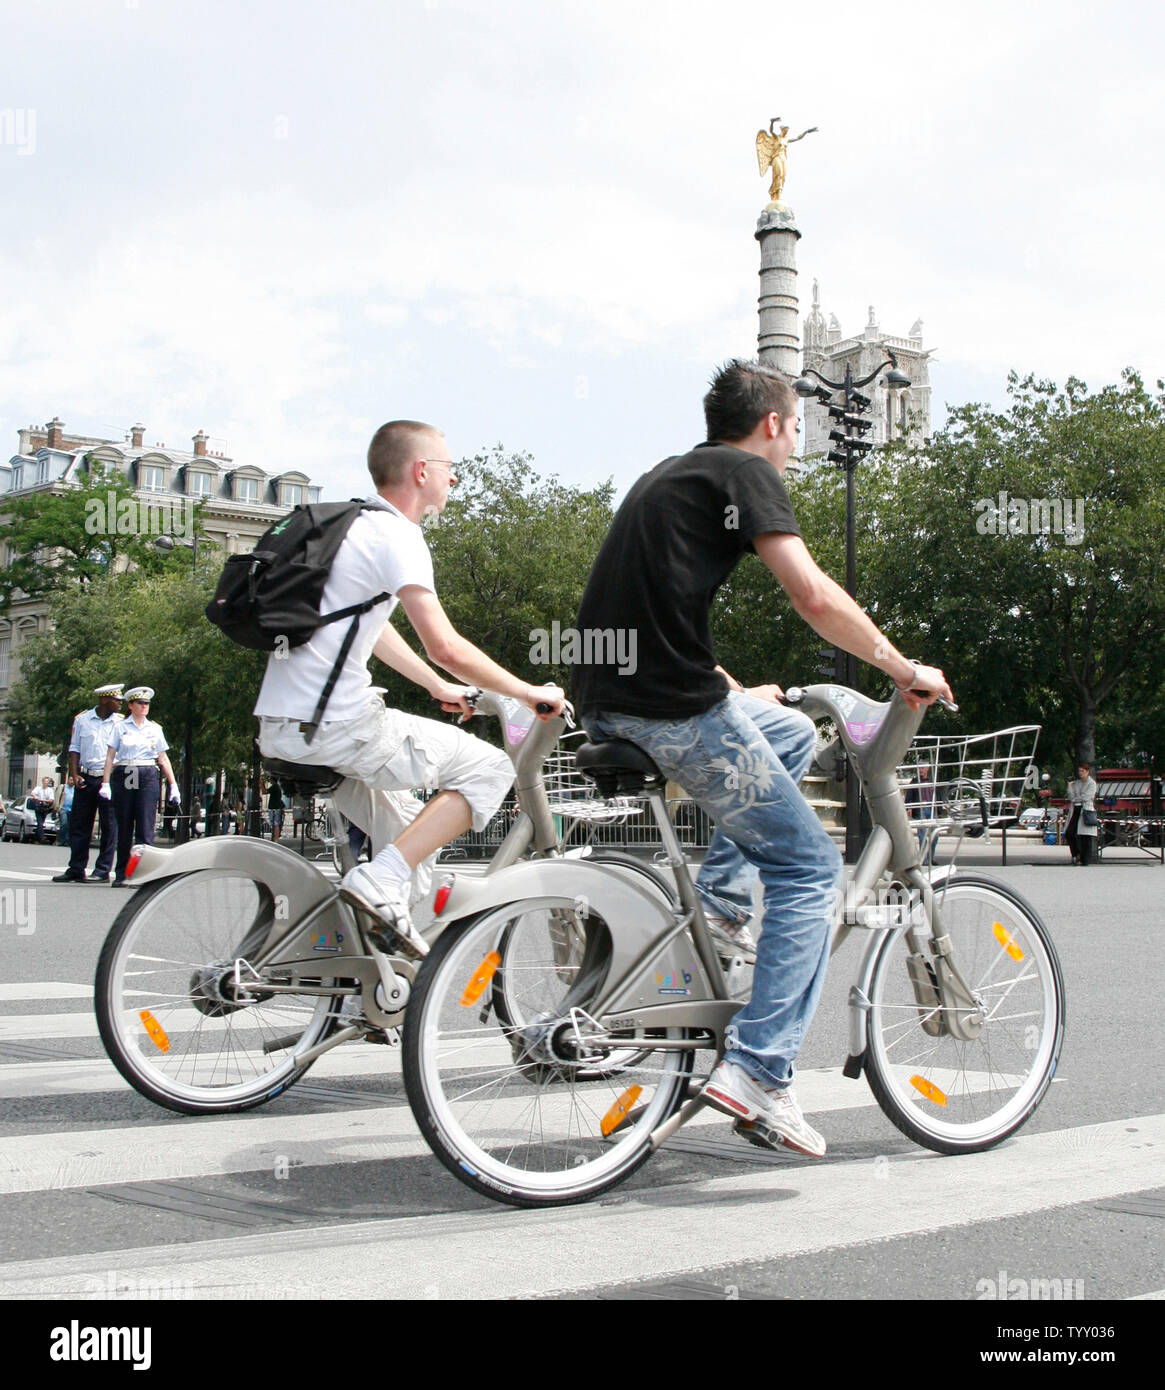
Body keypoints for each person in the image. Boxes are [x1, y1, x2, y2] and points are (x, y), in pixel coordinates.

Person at [571, 359, 952, 1159]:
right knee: (810, 868)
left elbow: (649, 607)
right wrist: (903, 669)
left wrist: (740, 690)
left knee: (786, 734)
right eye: (790, 433)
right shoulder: (745, 469)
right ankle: (759, 1073)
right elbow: (812, 595)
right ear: (773, 423)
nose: (788, 450)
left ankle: (720, 910)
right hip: (670, 712)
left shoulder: (665, 477)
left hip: (611, 696)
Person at [254, 418, 565, 953]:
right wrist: (526, 691)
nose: (453, 481)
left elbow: (371, 631)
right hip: (338, 725)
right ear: (423, 471)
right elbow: (444, 643)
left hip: (280, 725)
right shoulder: (398, 534)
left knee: (410, 854)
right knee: (489, 769)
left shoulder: (349, 527)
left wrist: (436, 686)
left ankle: (367, 980)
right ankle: (376, 884)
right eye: (450, 469)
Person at [99, 686, 181, 885]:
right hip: (128, 771)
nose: (144, 706)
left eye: (147, 704)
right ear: (131, 706)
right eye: (140, 703)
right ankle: (122, 872)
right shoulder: (121, 727)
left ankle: (145, 873)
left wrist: (173, 785)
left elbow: (163, 758)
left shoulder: (155, 728)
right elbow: (110, 756)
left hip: (147, 773)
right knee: (125, 823)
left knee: (145, 825)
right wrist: (106, 782)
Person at [53, 683, 125, 883]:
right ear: (104, 700)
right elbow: (74, 749)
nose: (120, 704)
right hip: (86, 777)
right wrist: (74, 774)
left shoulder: (121, 723)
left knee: (109, 826)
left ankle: (102, 871)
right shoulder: (82, 720)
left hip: (108, 779)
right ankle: (76, 868)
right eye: (116, 700)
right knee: (79, 825)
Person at [904, 760, 938, 866]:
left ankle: (931, 857)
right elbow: (909, 795)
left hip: (932, 808)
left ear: (927, 769)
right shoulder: (914, 781)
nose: (920, 770)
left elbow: (937, 794)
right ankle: (924, 859)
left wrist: (940, 808)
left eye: (922, 768)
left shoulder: (932, 780)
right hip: (921, 809)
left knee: (935, 835)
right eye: (919, 768)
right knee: (922, 835)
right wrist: (909, 808)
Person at [1065, 762, 1098, 866]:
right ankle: (1076, 853)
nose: (1080, 773)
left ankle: (1085, 860)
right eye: (1079, 771)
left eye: (1082, 771)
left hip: (1086, 810)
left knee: (1086, 836)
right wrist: (1069, 787)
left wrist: (1075, 798)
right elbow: (1071, 797)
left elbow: (1087, 797)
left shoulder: (1092, 783)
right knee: (1069, 833)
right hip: (1076, 810)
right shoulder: (1077, 783)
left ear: (1087, 772)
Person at [30, 776, 55, 843]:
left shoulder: (50, 790)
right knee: (40, 822)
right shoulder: (38, 788)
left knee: (40, 823)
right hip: (38, 807)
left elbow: (51, 800)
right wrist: (35, 797)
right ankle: (42, 837)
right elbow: (32, 793)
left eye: (47, 782)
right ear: (42, 782)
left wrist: (46, 801)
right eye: (44, 781)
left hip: (45, 808)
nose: (45, 783)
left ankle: (35, 839)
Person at [54, 775, 73, 846]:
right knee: (64, 824)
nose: (72, 781)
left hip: (72, 809)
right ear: (68, 780)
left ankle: (67, 841)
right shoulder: (63, 787)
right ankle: (60, 840)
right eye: (71, 780)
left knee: (70, 826)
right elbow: (57, 797)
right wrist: (56, 807)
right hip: (63, 809)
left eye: (73, 780)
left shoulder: (75, 788)